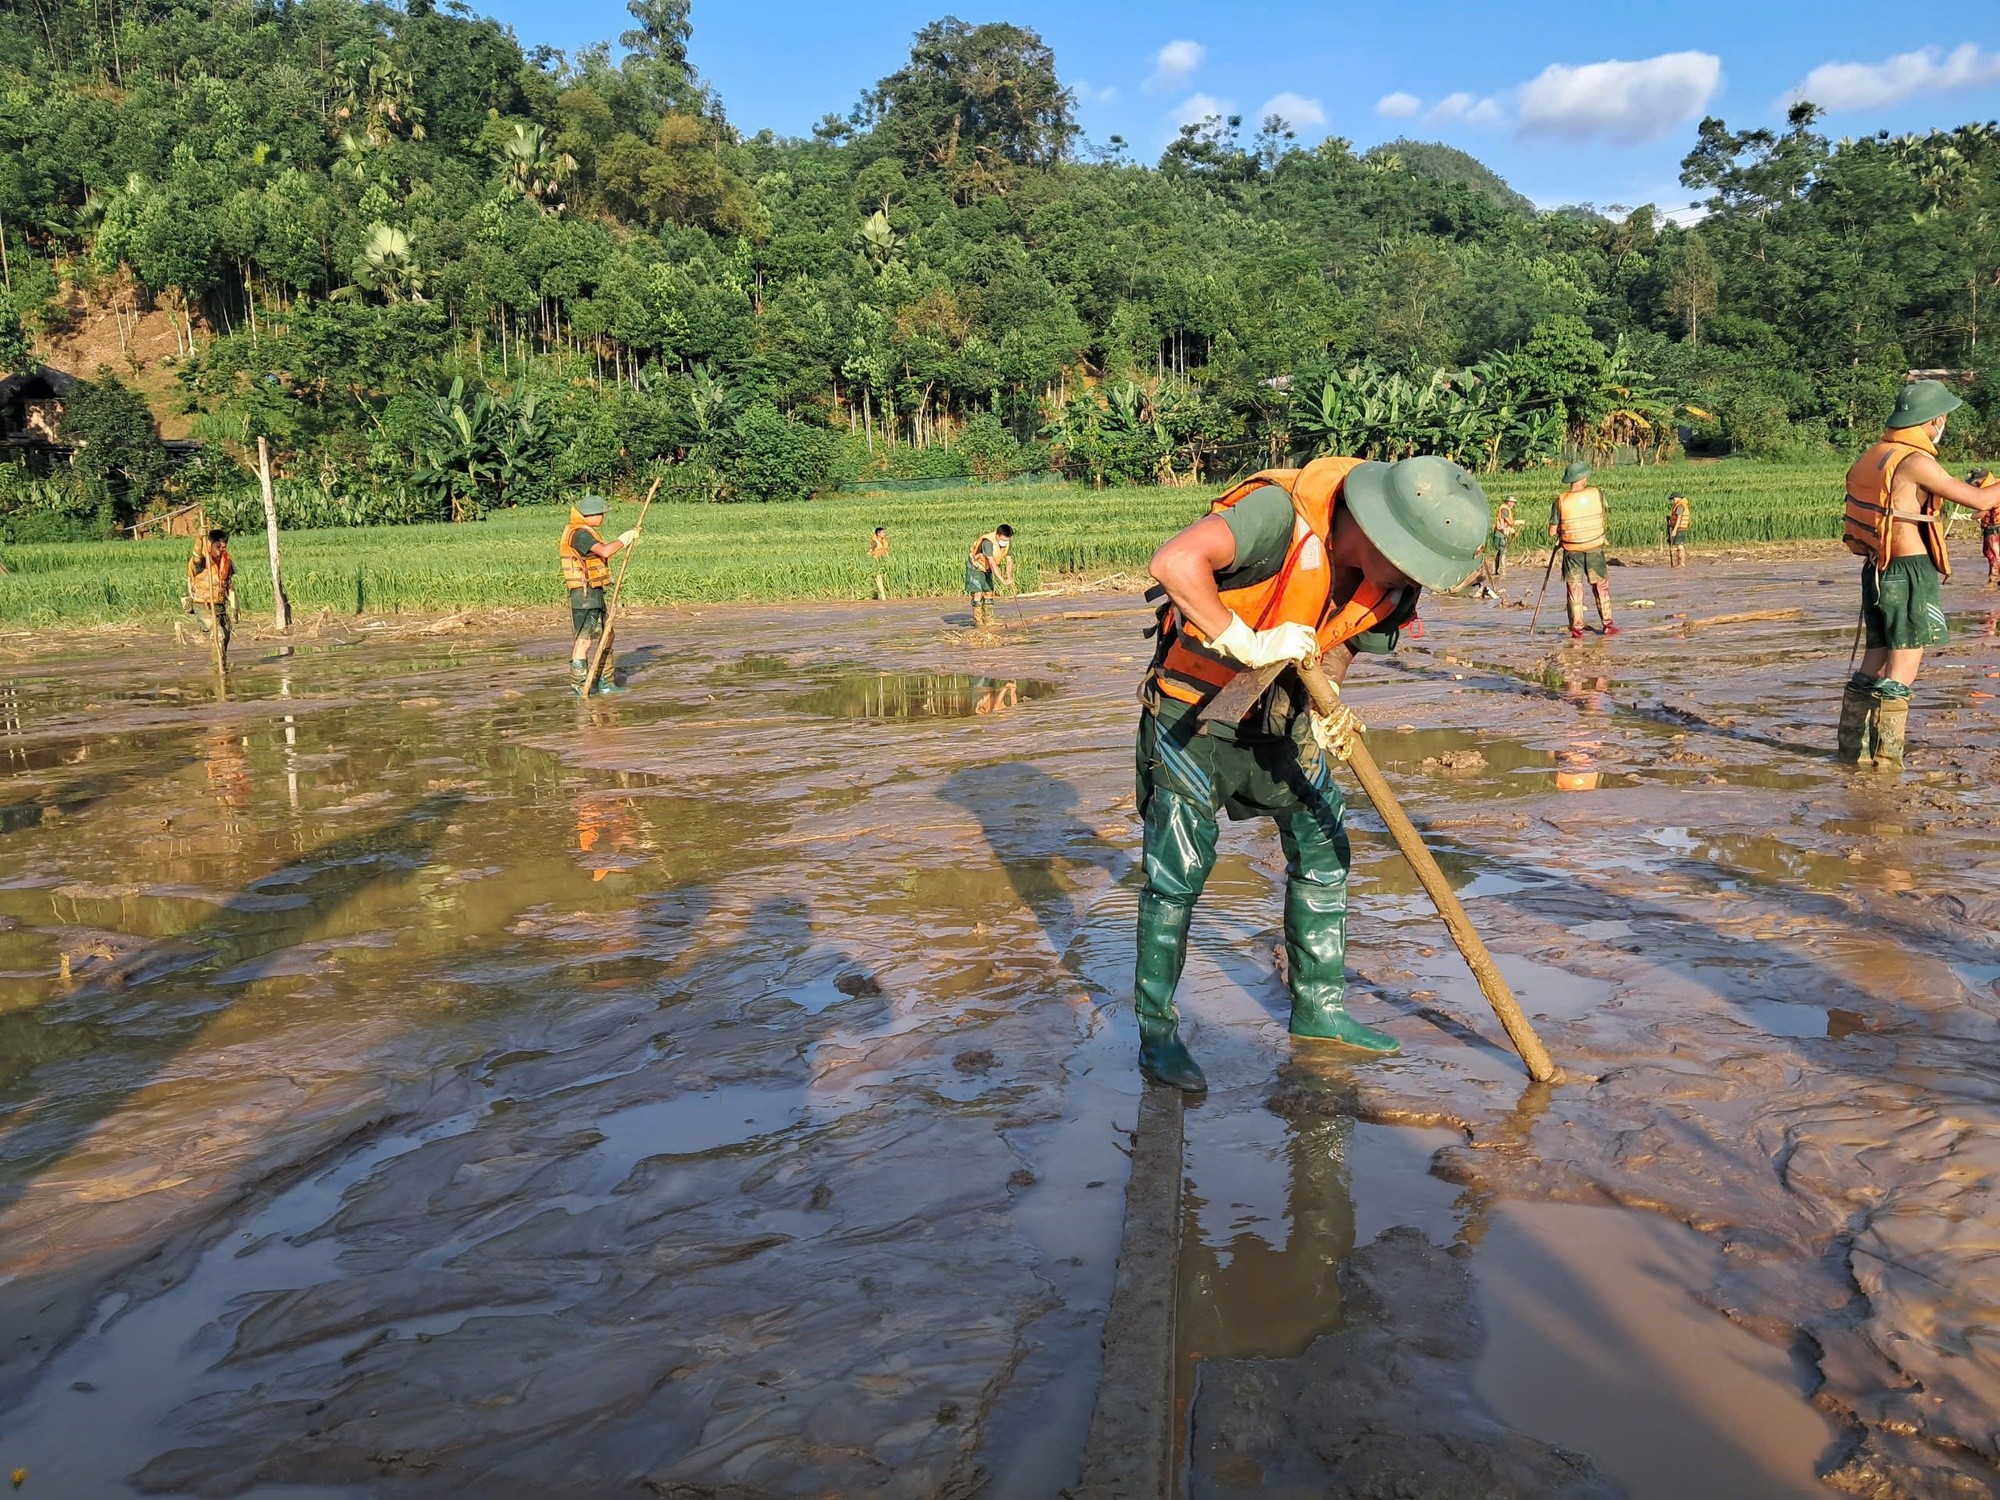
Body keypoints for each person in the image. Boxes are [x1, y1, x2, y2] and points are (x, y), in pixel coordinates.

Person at [1134, 453, 1489, 1092]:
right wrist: (1241, 638)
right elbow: (1173, 563)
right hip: (1194, 712)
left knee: (1326, 845)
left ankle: (1319, 1010)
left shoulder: (1392, 586)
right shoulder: (1279, 516)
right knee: (1178, 870)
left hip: (1280, 719)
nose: (1416, 579)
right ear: (1377, 530)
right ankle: (1157, 1033)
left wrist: (1327, 710)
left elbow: (1347, 641)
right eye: (1410, 563)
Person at [1838, 381, 2000, 764]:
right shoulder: (1916, 461)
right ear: (1933, 420)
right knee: (1904, 664)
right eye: (1942, 419)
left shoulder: (1877, 454)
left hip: (1877, 567)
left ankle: (1852, 752)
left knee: (1873, 661)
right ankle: (1887, 759)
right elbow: (1979, 500)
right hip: (1910, 568)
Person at [559, 495, 641, 696]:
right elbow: (604, 551)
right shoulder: (580, 534)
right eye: (601, 514)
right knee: (584, 641)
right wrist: (624, 539)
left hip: (594, 592)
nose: (603, 518)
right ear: (592, 515)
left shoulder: (585, 531)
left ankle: (605, 682)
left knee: (608, 635)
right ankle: (580, 686)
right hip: (584, 595)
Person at [1548, 461, 1617, 639]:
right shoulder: (1597, 494)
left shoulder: (1560, 501)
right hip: (1594, 548)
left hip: (1572, 551)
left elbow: (1552, 532)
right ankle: (1608, 625)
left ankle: (1577, 629)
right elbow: (1602, 514)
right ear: (1583, 478)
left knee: (1574, 589)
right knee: (1601, 587)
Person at [186, 528, 237, 662]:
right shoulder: (202, 560)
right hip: (203, 605)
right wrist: (198, 537)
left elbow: (230, 585)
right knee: (218, 635)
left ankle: (222, 664)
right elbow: (196, 555)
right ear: (210, 544)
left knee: (225, 635)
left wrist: (235, 607)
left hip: (220, 605)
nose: (220, 550)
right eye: (217, 546)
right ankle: (217, 669)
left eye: (223, 547)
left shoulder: (227, 560)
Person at [966, 523, 1014, 626]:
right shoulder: (988, 542)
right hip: (977, 566)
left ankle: (989, 621)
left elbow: (1009, 560)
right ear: (997, 535)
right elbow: (992, 562)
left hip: (987, 568)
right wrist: (1002, 580)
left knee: (989, 592)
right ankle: (978, 622)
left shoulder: (1007, 543)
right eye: (1003, 540)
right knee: (978, 593)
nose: (1004, 543)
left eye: (1007, 540)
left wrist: (1009, 576)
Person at [1977, 472, 2000, 587]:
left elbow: (1983, 511)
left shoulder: (1990, 492)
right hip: (1993, 527)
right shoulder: (1995, 485)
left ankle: (1993, 580)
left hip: (1994, 528)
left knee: (1993, 554)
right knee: (1990, 552)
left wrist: (1966, 516)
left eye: (1977, 482)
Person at [1490, 495, 1518, 578]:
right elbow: (1508, 522)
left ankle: (1497, 570)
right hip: (1500, 533)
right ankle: (1502, 570)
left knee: (1501, 551)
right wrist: (1518, 522)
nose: (1513, 504)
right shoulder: (1504, 509)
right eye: (1512, 502)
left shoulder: (1505, 509)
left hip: (1502, 533)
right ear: (1508, 502)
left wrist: (1513, 531)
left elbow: (1507, 524)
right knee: (1502, 551)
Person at [1666, 491, 1692, 568]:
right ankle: (1680, 563)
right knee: (1679, 545)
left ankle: (1681, 563)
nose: (1673, 500)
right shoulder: (1680, 505)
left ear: (1678, 498)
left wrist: (1674, 530)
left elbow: (1679, 518)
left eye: (1674, 499)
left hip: (1680, 527)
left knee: (1679, 546)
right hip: (1681, 527)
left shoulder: (1680, 506)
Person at [868, 525, 890, 601]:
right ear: (878, 534)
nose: (884, 534)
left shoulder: (884, 541)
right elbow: (869, 552)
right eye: (883, 532)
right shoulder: (874, 542)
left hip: (883, 562)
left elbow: (886, 552)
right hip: (876, 562)